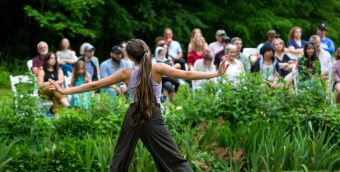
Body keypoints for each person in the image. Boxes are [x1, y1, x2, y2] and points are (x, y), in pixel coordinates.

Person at [49, 39, 227, 172]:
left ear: (130, 57)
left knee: (121, 156)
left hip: (133, 113)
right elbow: (187, 75)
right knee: (172, 157)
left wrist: (66, 91)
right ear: (146, 51)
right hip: (152, 113)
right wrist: (216, 74)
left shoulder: (126, 72)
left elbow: (95, 85)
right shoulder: (157, 68)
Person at [37, 52, 69, 119]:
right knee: (54, 88)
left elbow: (61, 81)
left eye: (55, 58)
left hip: (55, 92)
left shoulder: (58, 69)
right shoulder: (42, 69)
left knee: (55, 96)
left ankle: (57, 120)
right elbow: (40, 84)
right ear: (47, 60)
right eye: (51, 58)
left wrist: (49, 82)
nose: (54, 59)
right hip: (44, 92)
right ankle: (66, 103)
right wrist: (53, 83)